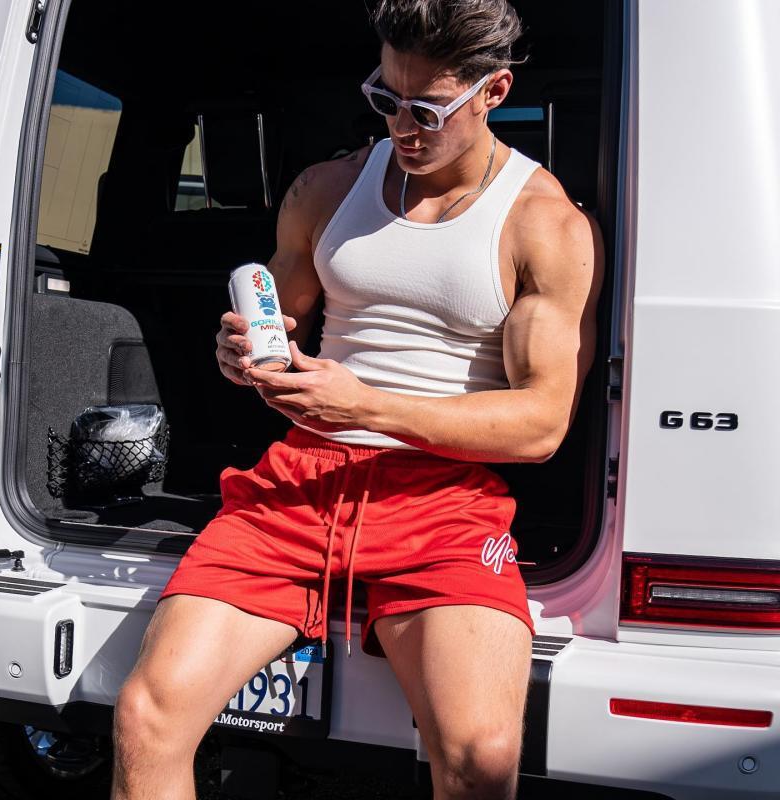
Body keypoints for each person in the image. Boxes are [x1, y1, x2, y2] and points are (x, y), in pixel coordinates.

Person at [111, 1, 604, 798]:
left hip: (443, 499)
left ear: (493, 91)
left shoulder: (545, 224)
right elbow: (280, 330)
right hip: (299, 483)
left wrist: (367, 407)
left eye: (427, 110)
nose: (402, 127)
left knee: (479, 761)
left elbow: (541, 425)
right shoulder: (325, 188)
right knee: (146, 717)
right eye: (385, 98)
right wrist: (243, 356)